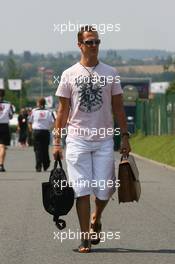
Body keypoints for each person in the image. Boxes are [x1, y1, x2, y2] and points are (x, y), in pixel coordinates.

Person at [53, 25, 131, 253]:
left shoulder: (111, 73)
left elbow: (118, 108)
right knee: (81, 189)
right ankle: (85, 237)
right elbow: (62, 111)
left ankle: (97, 217)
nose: (94, 46)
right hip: (77, 139)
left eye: (97, 42)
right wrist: (57, 142)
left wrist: (124, 136)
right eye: (89, 42)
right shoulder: (69, 74)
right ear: (80, 45)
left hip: (105, 139)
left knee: (104, 189)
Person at [28, 98, 55, 172]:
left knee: (37, 149)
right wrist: (50, 128)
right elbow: (53, 122)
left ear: (38, 103)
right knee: (45, 149)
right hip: (45, 131)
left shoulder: (34, 111)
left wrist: (31, 131)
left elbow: (30, 121)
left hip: (36, 131)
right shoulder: (49, 111)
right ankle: (46, 164)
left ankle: (38, 166)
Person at [0, 89, 13, 172]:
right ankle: (1, 165)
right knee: (2, 146)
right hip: (4, 126)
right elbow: (11, 116)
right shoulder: (8, 104)